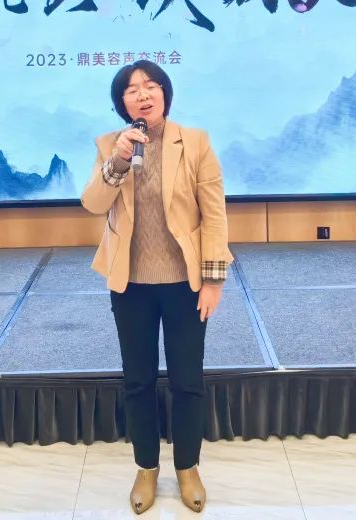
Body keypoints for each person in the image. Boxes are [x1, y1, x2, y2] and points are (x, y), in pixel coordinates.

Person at [80, 60, 233, 514]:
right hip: (131, 285)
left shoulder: (195, 142)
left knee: (187, 380)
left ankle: (187, 467)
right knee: (138, 381)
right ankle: (146, 468)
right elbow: (93, 204)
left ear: (165, 93)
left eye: (151, 86)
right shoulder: (111, 145)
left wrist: (213, 280)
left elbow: (214, 214)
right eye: (131, 90)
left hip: (185, 283)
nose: (143, 95)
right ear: (121, 103)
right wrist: (119, 160)